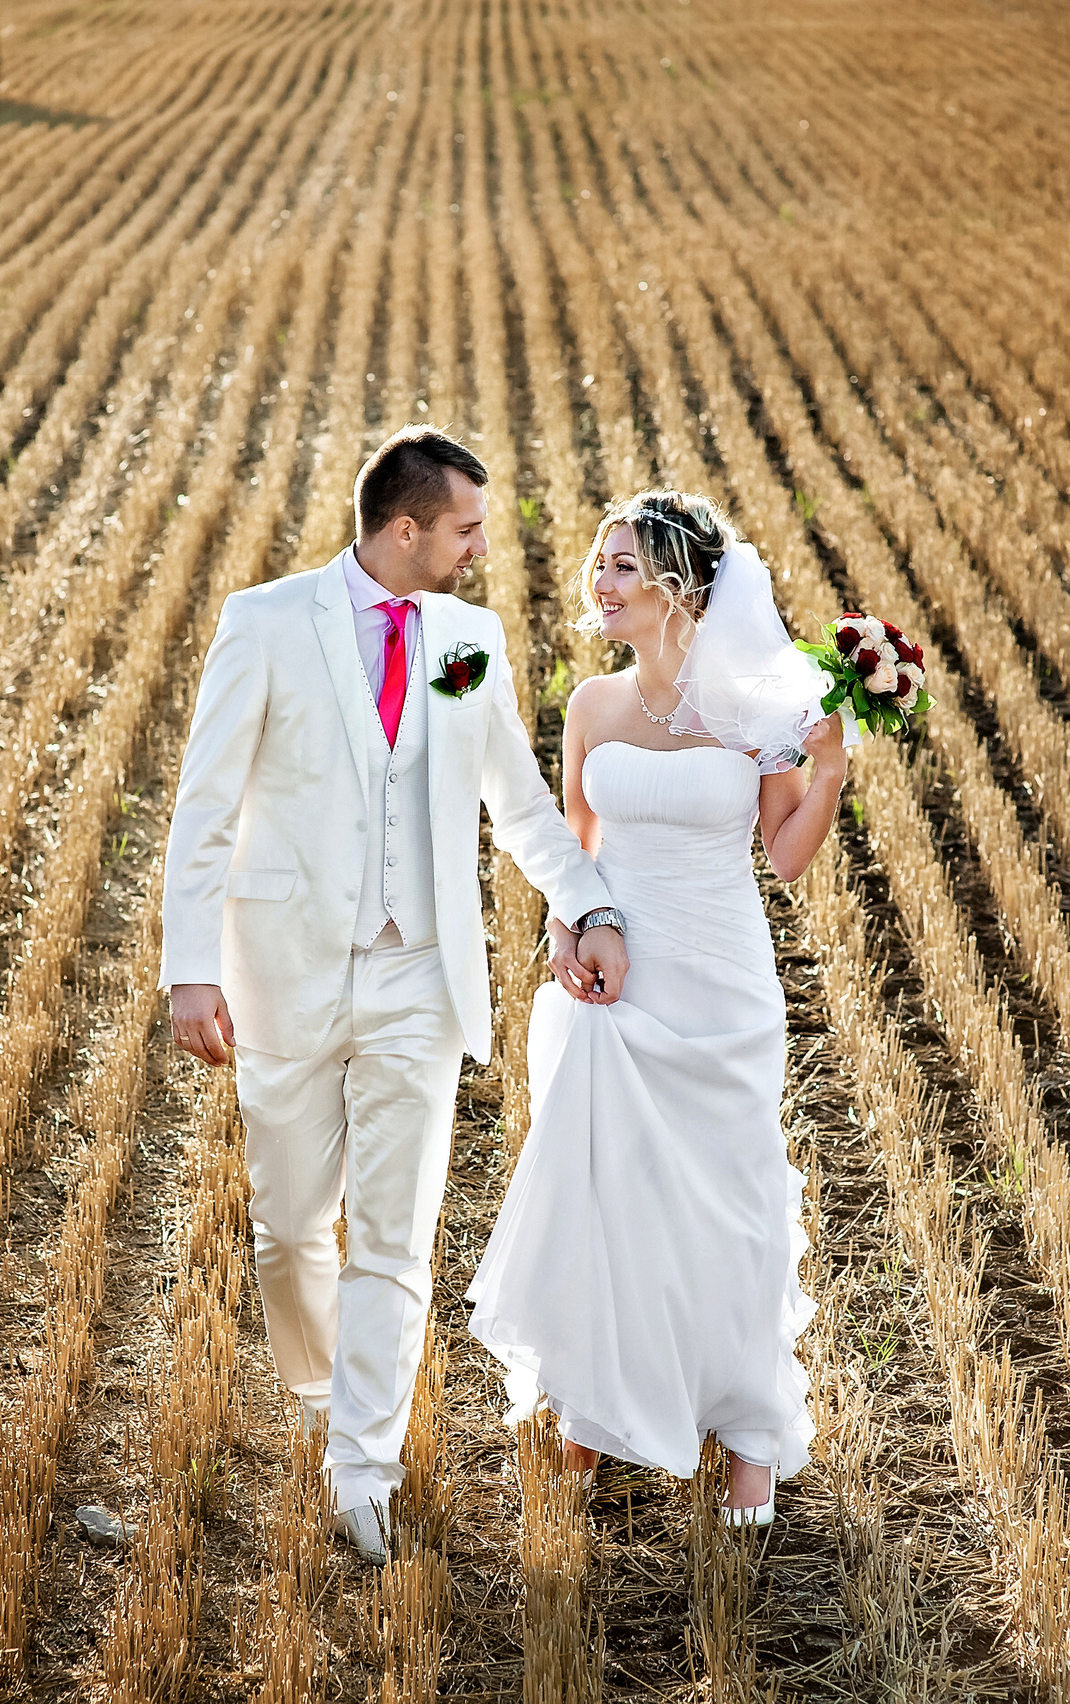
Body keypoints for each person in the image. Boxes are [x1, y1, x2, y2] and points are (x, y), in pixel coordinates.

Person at [160, 426, 628, 1564]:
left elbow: (515, 803)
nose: (482, 546)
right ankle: (326, 1401)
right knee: (285, 1233)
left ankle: (362, 1468)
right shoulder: (265, 623)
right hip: (284, 969)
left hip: (422, 973)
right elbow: (206, 803)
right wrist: (189, 967)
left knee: (395, 1239)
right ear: (405, 529)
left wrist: (591, 904)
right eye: (466, 527)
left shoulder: (469, 641)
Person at [468, 490, 846, 1527]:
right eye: (601, 563)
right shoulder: (590, 705)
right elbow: (573, 856)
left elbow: (785, 858)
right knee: (608, 1203)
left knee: (730, 1209)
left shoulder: (751, 713)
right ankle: (592, 1419)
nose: (601, 579)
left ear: (682, 587)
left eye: (624, 564)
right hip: (616, 985)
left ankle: (750, 1446)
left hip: (722, 982)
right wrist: (563, 934)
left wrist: (829, 767)